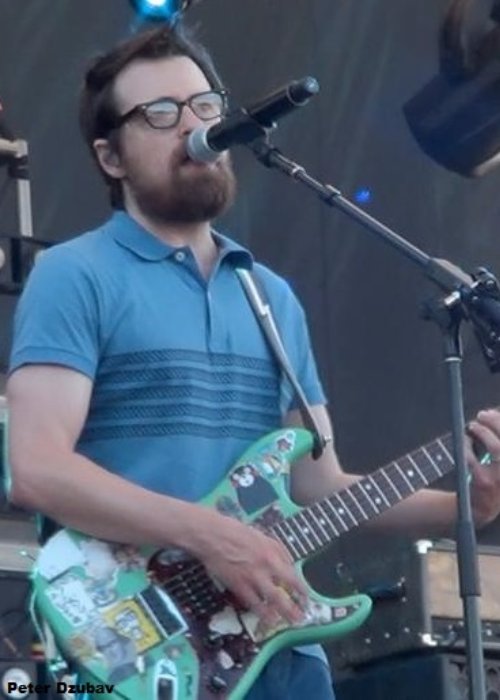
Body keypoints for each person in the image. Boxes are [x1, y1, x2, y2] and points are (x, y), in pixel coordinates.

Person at [6, 23, 500, 700]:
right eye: (160, 114)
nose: (194, 127)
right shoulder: (74, 274)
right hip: (135, 649)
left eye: (206, 107)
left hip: (278, 651)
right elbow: (37, 470)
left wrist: (461, 510)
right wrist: (210, 534)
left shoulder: (271, 297)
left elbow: (317, 485)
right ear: (111, 157)